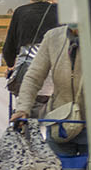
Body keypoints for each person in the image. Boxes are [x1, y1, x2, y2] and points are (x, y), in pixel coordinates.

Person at [11, 21, 84, 150]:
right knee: (56, 168)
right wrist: (23, 109)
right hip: (60, 121)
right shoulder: (53, 37)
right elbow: (33, 77)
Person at [3, 0, 61, 99]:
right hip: (55, 72)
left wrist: (10, 65)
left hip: (28, 71)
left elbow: (9, 47)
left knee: (27, 110)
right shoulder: (61, 11)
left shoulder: (21, 12)